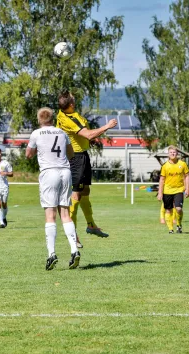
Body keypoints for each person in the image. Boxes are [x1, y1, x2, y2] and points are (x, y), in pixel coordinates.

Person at [56, 91, 117, 247]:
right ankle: (73, 236)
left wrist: (93, 139)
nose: (75, 100)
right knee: (75, 195)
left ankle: (90, 225)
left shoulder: (67, 114)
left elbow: (85, 136)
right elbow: (88, 134)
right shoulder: (68, 119)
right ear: (70, 105)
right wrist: (107, 126)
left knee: (85, 192)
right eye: (73, 99)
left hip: (82, 156)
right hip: (75, 158)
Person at [26, 107, 80, 270]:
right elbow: (71, 154)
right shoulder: (62, 132)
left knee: (50, 215)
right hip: (65, 171)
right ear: (52, 118)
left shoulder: (36, 133)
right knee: (65, 213)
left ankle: (52, 254)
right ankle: (74, 249)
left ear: (39, 119)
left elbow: (28, 154)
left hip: (49, 173)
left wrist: (38, 150)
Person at [157, 146, 189, 234]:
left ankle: (179, 225)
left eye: (174, 152)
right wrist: (160, 193)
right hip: (167, 191)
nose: (172, 154)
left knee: (178, 209)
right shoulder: (165, 166)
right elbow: (162, 179)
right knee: (168, 210)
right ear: (168, 154)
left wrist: (187, 189)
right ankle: (170, 229)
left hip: (179, 190)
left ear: (177, 153)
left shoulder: (182, 164)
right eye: (171, 152)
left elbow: (187, 176)